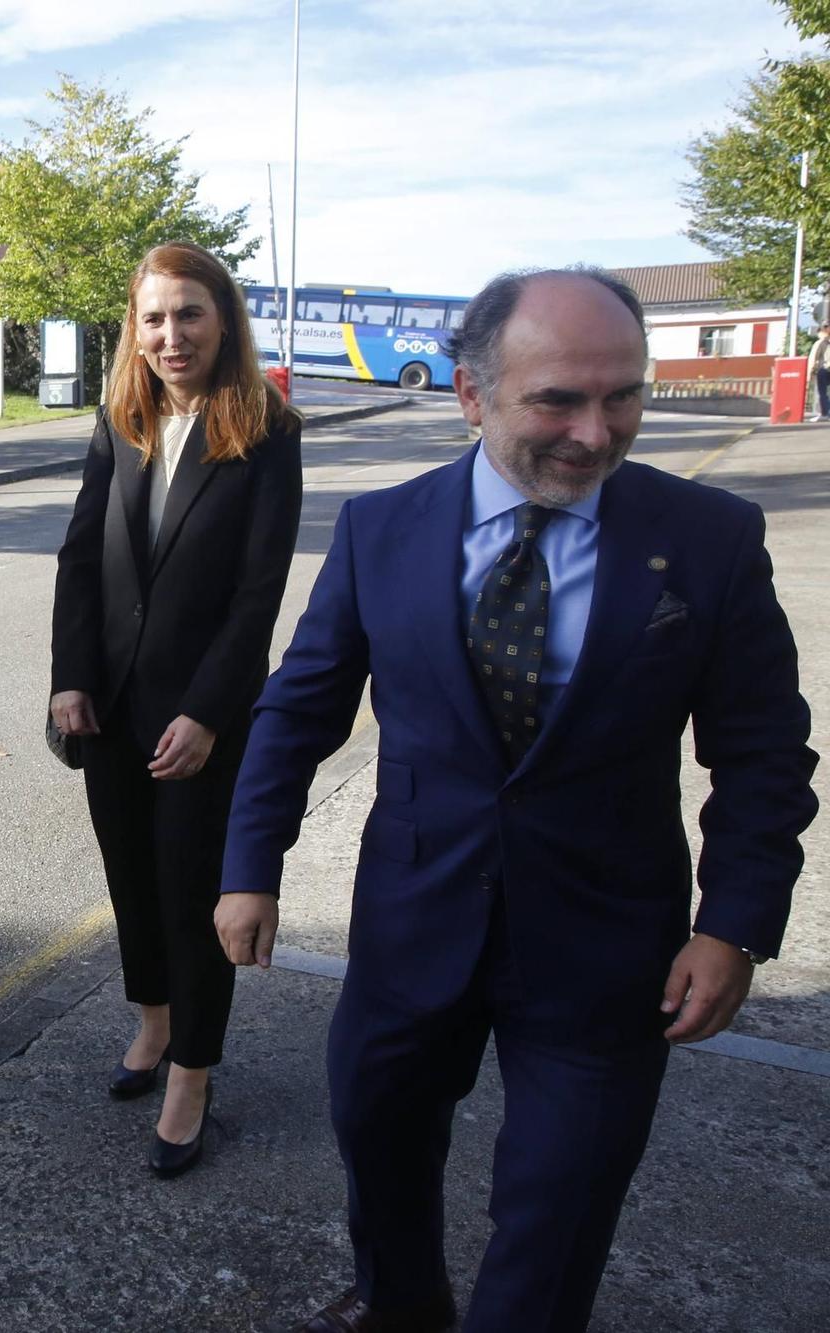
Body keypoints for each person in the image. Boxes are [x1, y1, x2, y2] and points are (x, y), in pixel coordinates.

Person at [216, 268, 817, 1333]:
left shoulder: (710, 539)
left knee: (558, 1208)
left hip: (602, 948)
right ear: (469, 393)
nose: (594, 432)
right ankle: (398, 1300)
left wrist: (732, 923)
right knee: (378, 1140)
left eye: (619, 395)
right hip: (411, 926)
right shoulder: (379, 531)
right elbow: (294, 712)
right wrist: (247, 868)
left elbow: (763, 752)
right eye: (555, 401)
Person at [47, 241, 303, 1178]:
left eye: (188, 313)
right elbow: (80, 554)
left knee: (192, 895)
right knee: (130, 879)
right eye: (153, 318)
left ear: (222, 317)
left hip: (201, 716)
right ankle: (152, 1024)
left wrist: (206, 712)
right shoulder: (122, 417)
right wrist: (69, 674)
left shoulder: (267, 428)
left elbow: (257, 594)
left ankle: (193, 1073)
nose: (171, 334)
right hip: (109, 707)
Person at [808, 326, 830, 421]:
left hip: (823, 369)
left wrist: (810, 372)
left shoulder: (819, 343)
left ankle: (825, 413)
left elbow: (813, 358)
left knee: (822, 393)